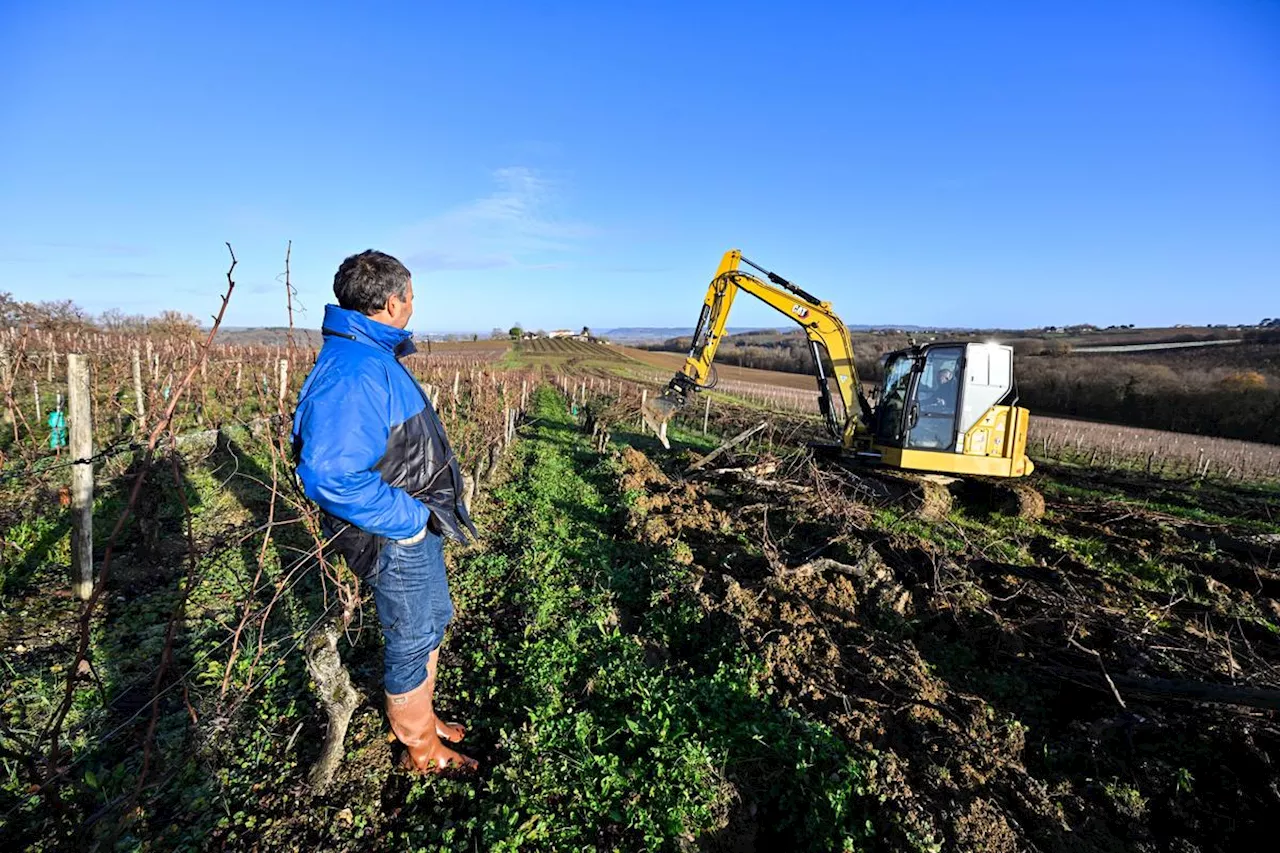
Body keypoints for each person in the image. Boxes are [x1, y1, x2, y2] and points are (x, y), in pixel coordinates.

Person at [292, 250, 478, 773]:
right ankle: (420, 747)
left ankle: (426, 716)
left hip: (411, 523)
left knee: (433, 619)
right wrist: (410, 522)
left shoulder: (369, 355)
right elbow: (329, 474)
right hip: (392, 533)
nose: (414, 304)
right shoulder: (355, 371)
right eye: (412, 296)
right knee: (412, 634)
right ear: (394, 303)